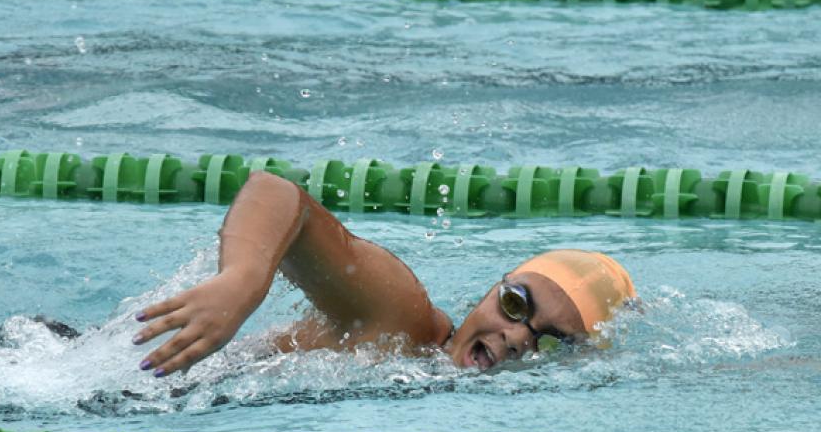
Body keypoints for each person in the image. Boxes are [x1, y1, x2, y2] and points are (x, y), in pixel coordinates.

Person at [131, 172, 636, 378]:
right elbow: (277, 193)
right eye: (515, 305)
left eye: (549, 343)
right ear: (493, 289)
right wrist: (241, 283)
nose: (515, 338)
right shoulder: (403, 320)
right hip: (120, 370)